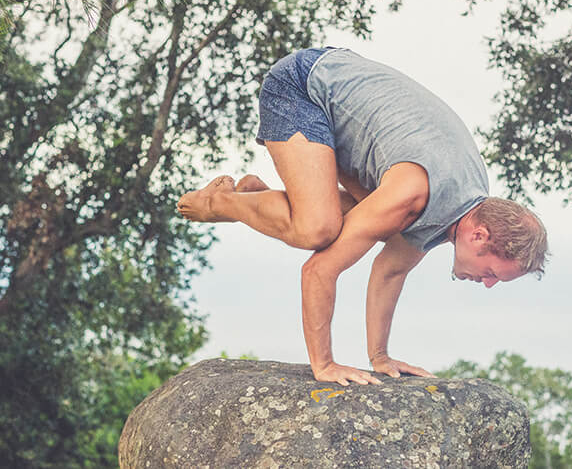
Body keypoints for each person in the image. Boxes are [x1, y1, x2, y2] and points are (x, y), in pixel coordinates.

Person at [178, 47, 547, 386]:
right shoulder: (415, 193)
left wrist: (380, 357)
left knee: (379, 226)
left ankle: (261, 200)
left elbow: (391, 271)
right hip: (303, 86)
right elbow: (318, 270)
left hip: (345, 110)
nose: (488, 284)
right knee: (317, 230)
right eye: (493, 273)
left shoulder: (460, 205)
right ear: (479, 236)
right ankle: (220, 202)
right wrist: (324, 365)